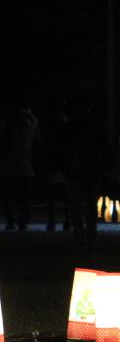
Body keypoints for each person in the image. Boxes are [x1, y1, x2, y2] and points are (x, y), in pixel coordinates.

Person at [66, 101, 108, 246]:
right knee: (90, 204)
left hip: (77, 170)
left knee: (76, 204)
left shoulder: (73, 128)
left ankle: (80, 233)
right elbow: (105, 148)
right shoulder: (96, 127)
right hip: (92, 169)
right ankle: (90, 233)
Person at [0, 101, 41, 231]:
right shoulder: (33, 121)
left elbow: (1, 140)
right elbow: (37, 143)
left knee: (8, 194)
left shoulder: (8, 119)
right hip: (26, 163)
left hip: (9, 163)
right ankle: (23, 221)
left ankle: (11, 221)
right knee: (24, 195)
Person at [40, 105, 70, 232]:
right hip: (63, 168)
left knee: (53, 197)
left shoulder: (51, 136)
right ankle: (67, 221)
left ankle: (52, 221)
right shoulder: (67, 136)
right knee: (66, 197)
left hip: (55, 167)